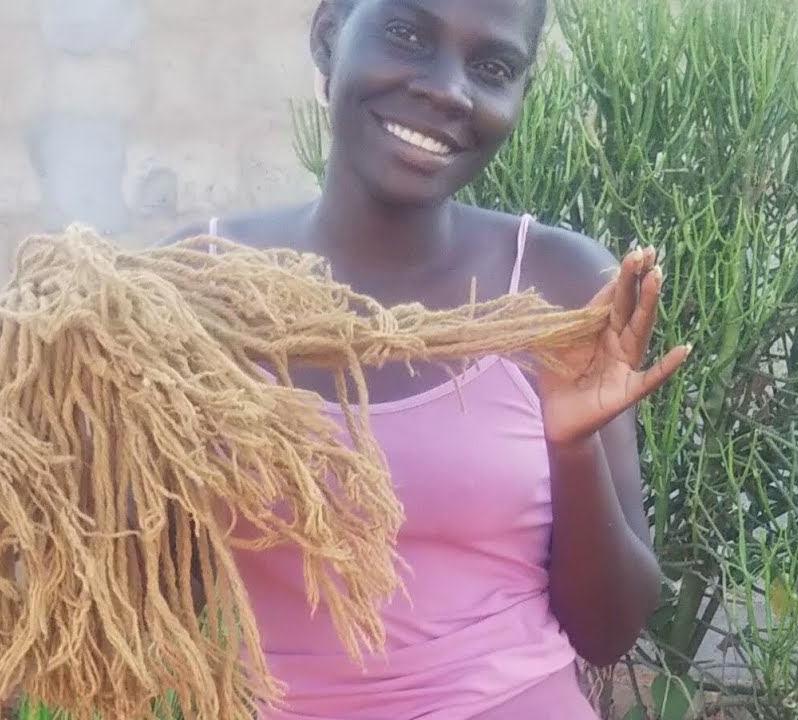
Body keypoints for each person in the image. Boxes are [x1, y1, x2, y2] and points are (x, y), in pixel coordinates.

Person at [165, 0, 690, 717]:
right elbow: (155, 592)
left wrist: (574, 451)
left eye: (494, 66)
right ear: (328, 37)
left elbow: (610, 631)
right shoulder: (198, 282)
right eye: (407, 34)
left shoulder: (554, 284)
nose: (448, 89)